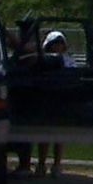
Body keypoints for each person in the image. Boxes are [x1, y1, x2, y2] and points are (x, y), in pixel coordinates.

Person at [29, 30, 71, 176]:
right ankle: (41, 164)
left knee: (59, 135)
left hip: (61, 100)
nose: (58, 46)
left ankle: (57, 164)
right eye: (54, 43)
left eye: (60, 43)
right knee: (44, 134)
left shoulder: (68, 60)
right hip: (46, 100)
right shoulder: (42, 60)